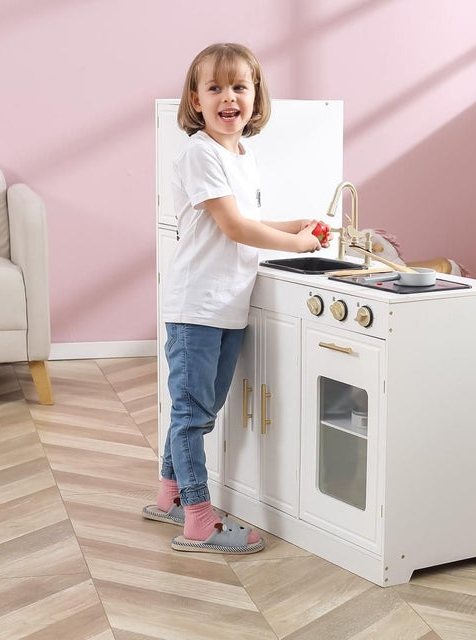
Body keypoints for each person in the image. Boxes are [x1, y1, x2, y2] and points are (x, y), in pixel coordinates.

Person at [143, 43, 329, 554]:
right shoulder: (200, 152)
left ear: (256, 96)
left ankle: (169, 496)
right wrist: (295, 243)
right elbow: (233, 226)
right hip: (197, 305)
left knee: (198, 409)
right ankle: (198, 518)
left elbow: (246, 220)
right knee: (192, 414)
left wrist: (294, 225)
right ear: (196, 99)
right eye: (216, 87)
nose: (229, 97)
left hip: (225, 304)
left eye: (240, 87)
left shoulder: (240, 155)